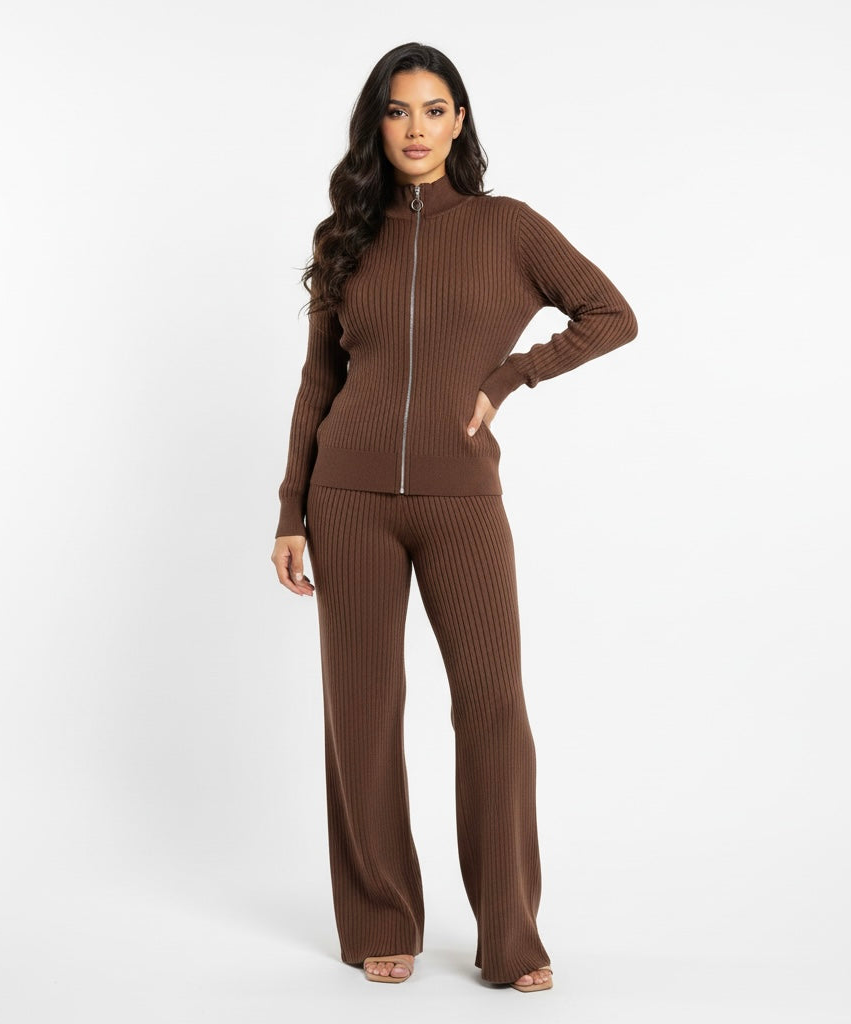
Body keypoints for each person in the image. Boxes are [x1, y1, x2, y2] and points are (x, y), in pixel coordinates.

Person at [271, 41, 637, 992]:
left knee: (491, 707)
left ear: (460, 121)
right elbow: (318, 382)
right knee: (362, 712)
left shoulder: (506, 227)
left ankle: (510, 934)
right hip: (347, 500)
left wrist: (512, 375)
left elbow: (609, 313)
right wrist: (290, 509)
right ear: (376, 124)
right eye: (398, 111)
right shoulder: (345, 236)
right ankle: (379, 916)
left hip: (462, 500)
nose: (416, 129)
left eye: (434, 110)